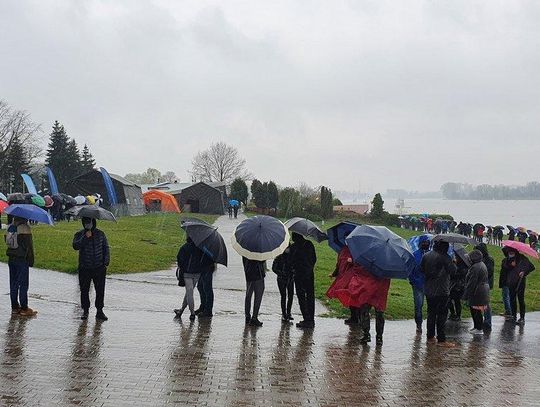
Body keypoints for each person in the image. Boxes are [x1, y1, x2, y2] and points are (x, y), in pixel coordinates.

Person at [420, 240, 457, 347]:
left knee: (431, 314)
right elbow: (453, 271)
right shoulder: (445, 257)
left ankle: (430, 337)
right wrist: (454, 262)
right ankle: (441, 339)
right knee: (442, 315)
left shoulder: (426, 255)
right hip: (442, 290)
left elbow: (421, 269)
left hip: (429, 289)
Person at [72, 218, 110, 321]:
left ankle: (99, 311)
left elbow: (105, 247)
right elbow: (75, 246)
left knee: (100, 290)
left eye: (89, 222)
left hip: (99, 267)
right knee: (84, 290)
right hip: (85, 267)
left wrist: (106, 262)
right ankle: (85, 310)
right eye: (85, 223)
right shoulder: (79, 234)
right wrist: (85, 237)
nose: (88, 225)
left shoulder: (100, 234)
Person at [175, 236, 213, 321]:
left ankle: (192, 313)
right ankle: (181, 310)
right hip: (197, 273)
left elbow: (179, 259)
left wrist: (183, 268)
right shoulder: (200, 248)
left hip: (187, 273)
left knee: (189, 293)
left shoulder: (184, 247)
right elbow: (207, 258)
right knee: (189, 292)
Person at [5, 217, 36, 316]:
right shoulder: (25, 228)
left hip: (11, 258)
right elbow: (29, 246)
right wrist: (31, 260)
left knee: (13, 283)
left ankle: (14, 307)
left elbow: (6, 241)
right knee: (23, 284)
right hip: (22, 259)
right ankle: (24, 308)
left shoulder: (10, 227)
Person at [289, 233, 317, 329]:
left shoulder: (294, 247)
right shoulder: (309, 244)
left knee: (301, 297)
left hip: (299, 275)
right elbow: (314, 259)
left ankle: (306, 319)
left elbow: (290, 261)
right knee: (310, 296)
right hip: (309, 274)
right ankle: (311, 319)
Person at [502, 247, 535, 325]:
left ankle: (522, 317)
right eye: (509, 253)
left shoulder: (522, 258)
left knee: (521, 299)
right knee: (512, 299)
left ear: (515, 252)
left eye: (512, 253)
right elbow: (504, 267)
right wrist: (511, 265)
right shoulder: (507, 259)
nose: (510, 254)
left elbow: (532, 267)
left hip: (520, 282)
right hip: (511, 282)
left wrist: (524, 272)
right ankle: (513, 316)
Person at [463, 249, 490, 335]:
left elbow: (472, 282)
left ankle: (479, 328)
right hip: (480, 290)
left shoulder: (475, 267)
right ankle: (477, 327)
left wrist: (466, 295)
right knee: (475, 309)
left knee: (476, 310)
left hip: (478, 291)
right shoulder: (480, 264)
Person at [331, 244, 359, 325]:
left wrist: (353, 261)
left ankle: (356, 318)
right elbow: (339, 263)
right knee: (349, 296)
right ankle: (353, 317)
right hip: (345, 278)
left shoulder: (356, 250)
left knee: (354, 297)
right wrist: (334, 274)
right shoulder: (343, 250)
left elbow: (361, 263)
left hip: (353, 278)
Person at [409, 238, 430, 333]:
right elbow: (410, 269)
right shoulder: (415, 255)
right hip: (417, 284)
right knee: (418, 305)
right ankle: (419, 324)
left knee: (431, 306)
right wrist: (412, 280)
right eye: (424, 242)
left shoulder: (432, 254)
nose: (425, 244)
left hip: (429, 284)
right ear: (420, 243)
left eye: (427, 242)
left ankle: (430, 325)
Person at [272, 248, 294, 322]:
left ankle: (288, 312)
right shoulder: (279, 257)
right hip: (281, 279)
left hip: (290, 278)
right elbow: (274, 268)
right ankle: (284, 313)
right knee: (283, 296)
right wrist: (281, 273)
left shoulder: (292, 256)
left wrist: (292, 273)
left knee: (290, 295)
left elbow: (295, 266)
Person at [476, 243, 494, 330]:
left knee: (486, 303)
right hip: (482, 283)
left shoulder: (489, 259)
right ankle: (485, 321)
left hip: (486, 283)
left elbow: (490, 272)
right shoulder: (482, 259)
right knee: (482, 302)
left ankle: (487, 322)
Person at [243, 257, 266, 326]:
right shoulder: (258, 249)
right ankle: (254, 317)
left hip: (248, 273)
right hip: (258, 274)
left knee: (248, 295)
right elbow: (260, 261)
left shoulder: (245, 249)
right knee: (258, 296)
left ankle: (247, 316)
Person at [448, 255, 467, 322]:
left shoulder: (463, 266)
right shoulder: (456, 264)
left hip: (458, 286)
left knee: (457, 301)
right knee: (449, 300)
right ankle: (452, 313)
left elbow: (457, 274)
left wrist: (454, 266)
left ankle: (458, 315)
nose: (455, 258)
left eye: (456, 257)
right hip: (452, 285)